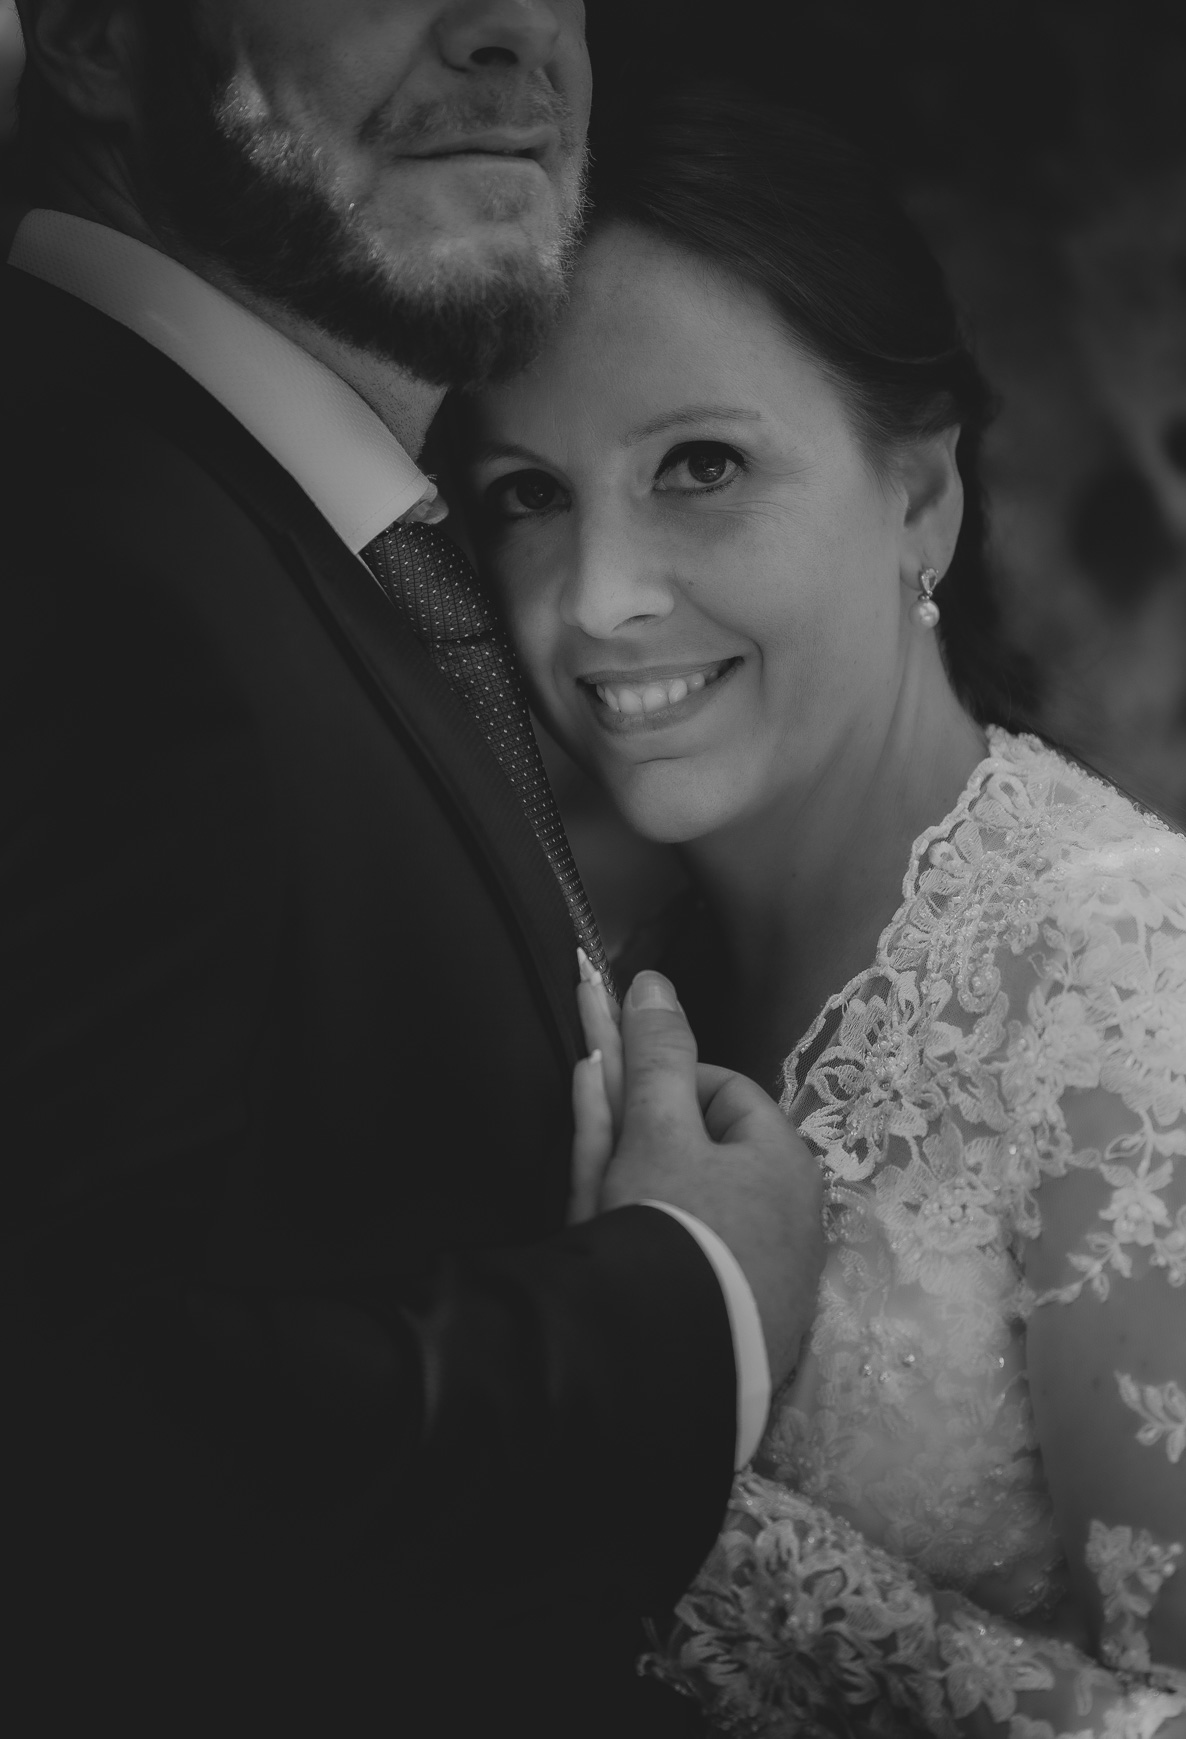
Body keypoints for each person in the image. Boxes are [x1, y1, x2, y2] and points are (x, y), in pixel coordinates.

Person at [0, 12, 825, 1735]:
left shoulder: (286, 528)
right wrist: (688, 1302)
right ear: (88, 32)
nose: (513, 28)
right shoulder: (69, 542)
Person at [458, 84, 1186, 1735]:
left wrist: (665, 1481)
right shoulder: (594, 953)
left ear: (921, 498)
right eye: (526, 493)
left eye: (699, 465)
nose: (597, 601)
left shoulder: (1129, 983)